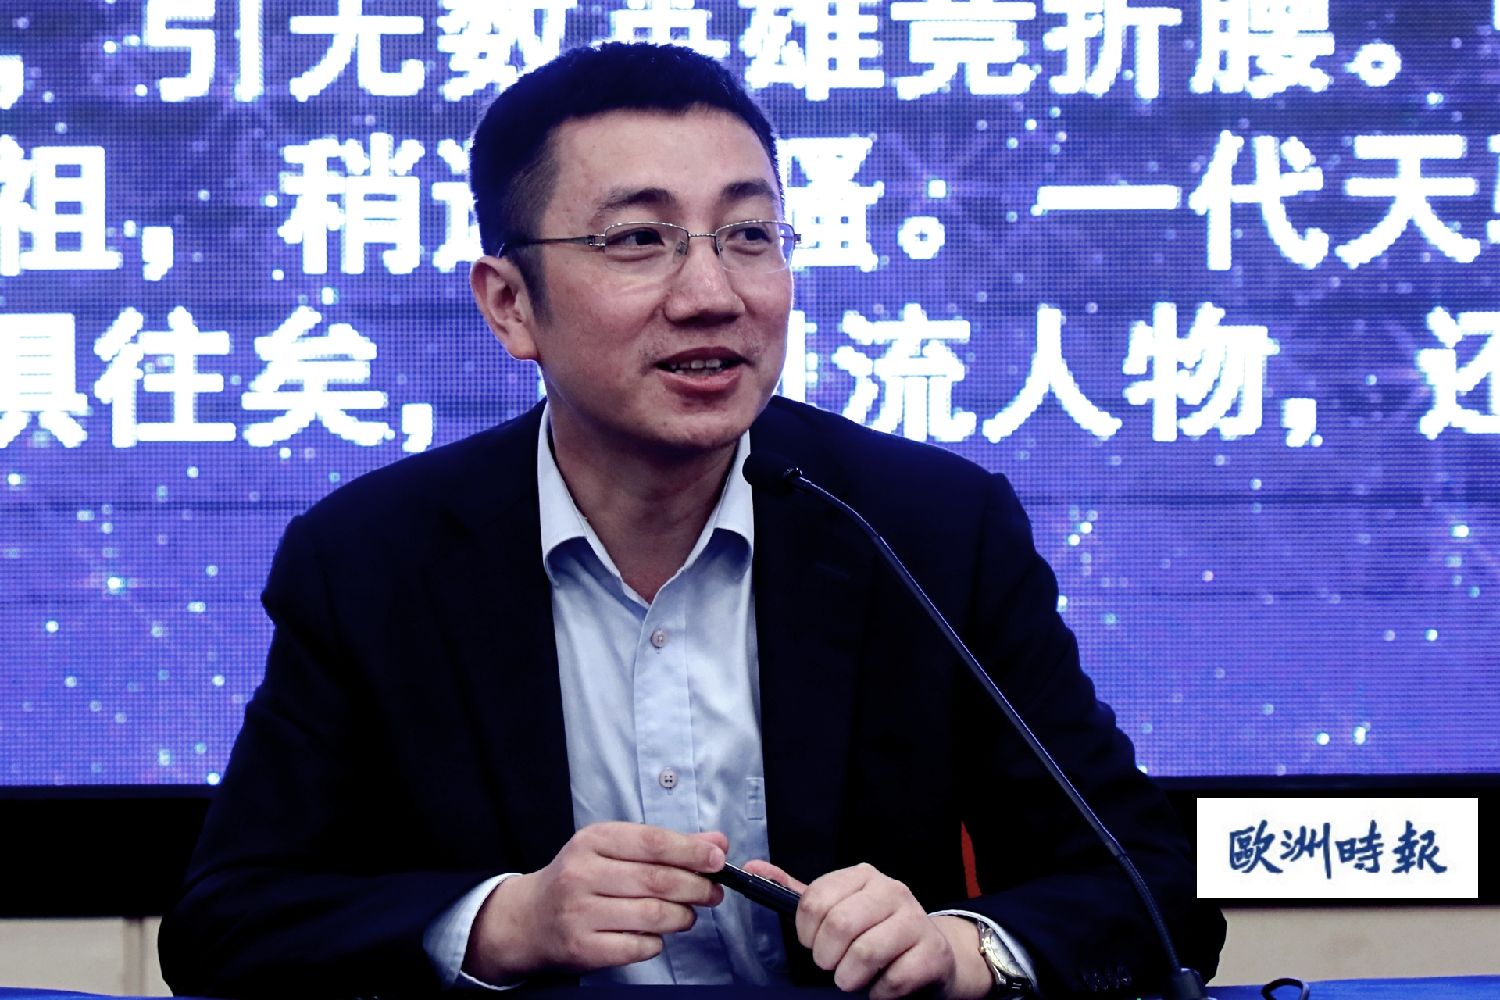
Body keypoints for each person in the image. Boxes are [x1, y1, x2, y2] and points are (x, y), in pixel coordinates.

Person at [159, 42, 1224, 999]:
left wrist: (964, 948)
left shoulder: (928, 529)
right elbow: (227, 924)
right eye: (639, 238)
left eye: (750, 234)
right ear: (509, 304)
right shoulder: (373, 560)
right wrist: (504, 924)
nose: (714, 292)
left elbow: (1152, 886)